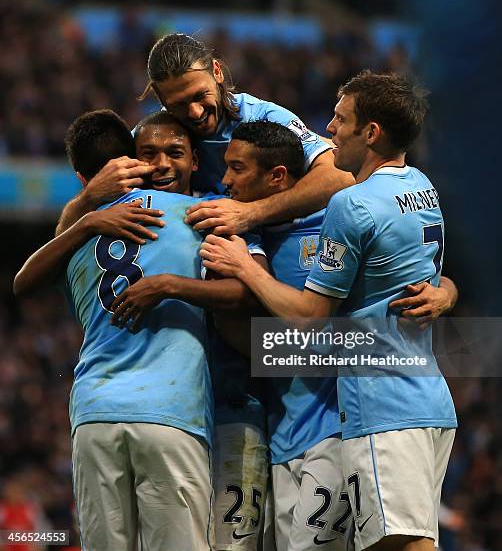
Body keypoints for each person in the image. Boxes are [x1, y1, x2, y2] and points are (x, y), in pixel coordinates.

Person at [117, 119, 457, 551]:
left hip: (336, 429)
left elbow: (330, 327)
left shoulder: (333, 224)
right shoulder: (241, 234)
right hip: (277, 433)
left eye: (238, 169)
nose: (225, 182)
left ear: (276, 176)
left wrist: (445, 292)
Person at [199, 71, 458, 551]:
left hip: (382, 403)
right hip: (426, 395)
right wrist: (447, 293)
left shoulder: (350, 205)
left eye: (341, 120)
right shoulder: (422, 186)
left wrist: (245, 268)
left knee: (402, 544)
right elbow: (428, 275)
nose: (329, 130)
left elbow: (310, 319)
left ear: (371, 132)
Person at [15, 109, 269, 551]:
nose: (163, 164)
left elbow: (25, 283)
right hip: (171, 414)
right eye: (150, 154)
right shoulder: (204, 215)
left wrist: (85, 216)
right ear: (131, 161)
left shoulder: (77, 236)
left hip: (94, 413)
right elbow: (249, 294)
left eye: (173, 152)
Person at [55, 33, 354, 236]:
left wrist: (249, 214)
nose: (196, 113)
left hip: (296, 248)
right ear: (161, 100)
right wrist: (88, 198)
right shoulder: (153, 141)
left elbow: (340, 177)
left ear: (217, 72)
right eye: (179, 105)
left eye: (200, 96)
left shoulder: (264, 117)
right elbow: (66, 234)